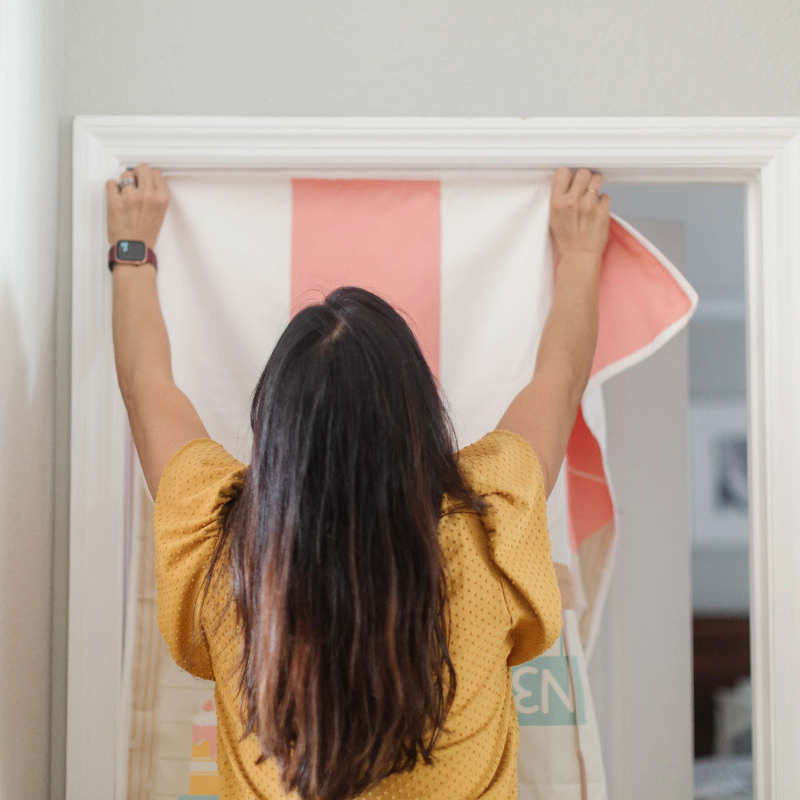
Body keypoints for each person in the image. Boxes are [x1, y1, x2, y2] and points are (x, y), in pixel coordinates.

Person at [106, 165, 610, 800]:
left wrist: (133, 254)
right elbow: (560, 379)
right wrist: (582, 256)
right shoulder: (490, 525)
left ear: (279, 434)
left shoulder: (224, 554)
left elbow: (146, 384)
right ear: (416, 418)